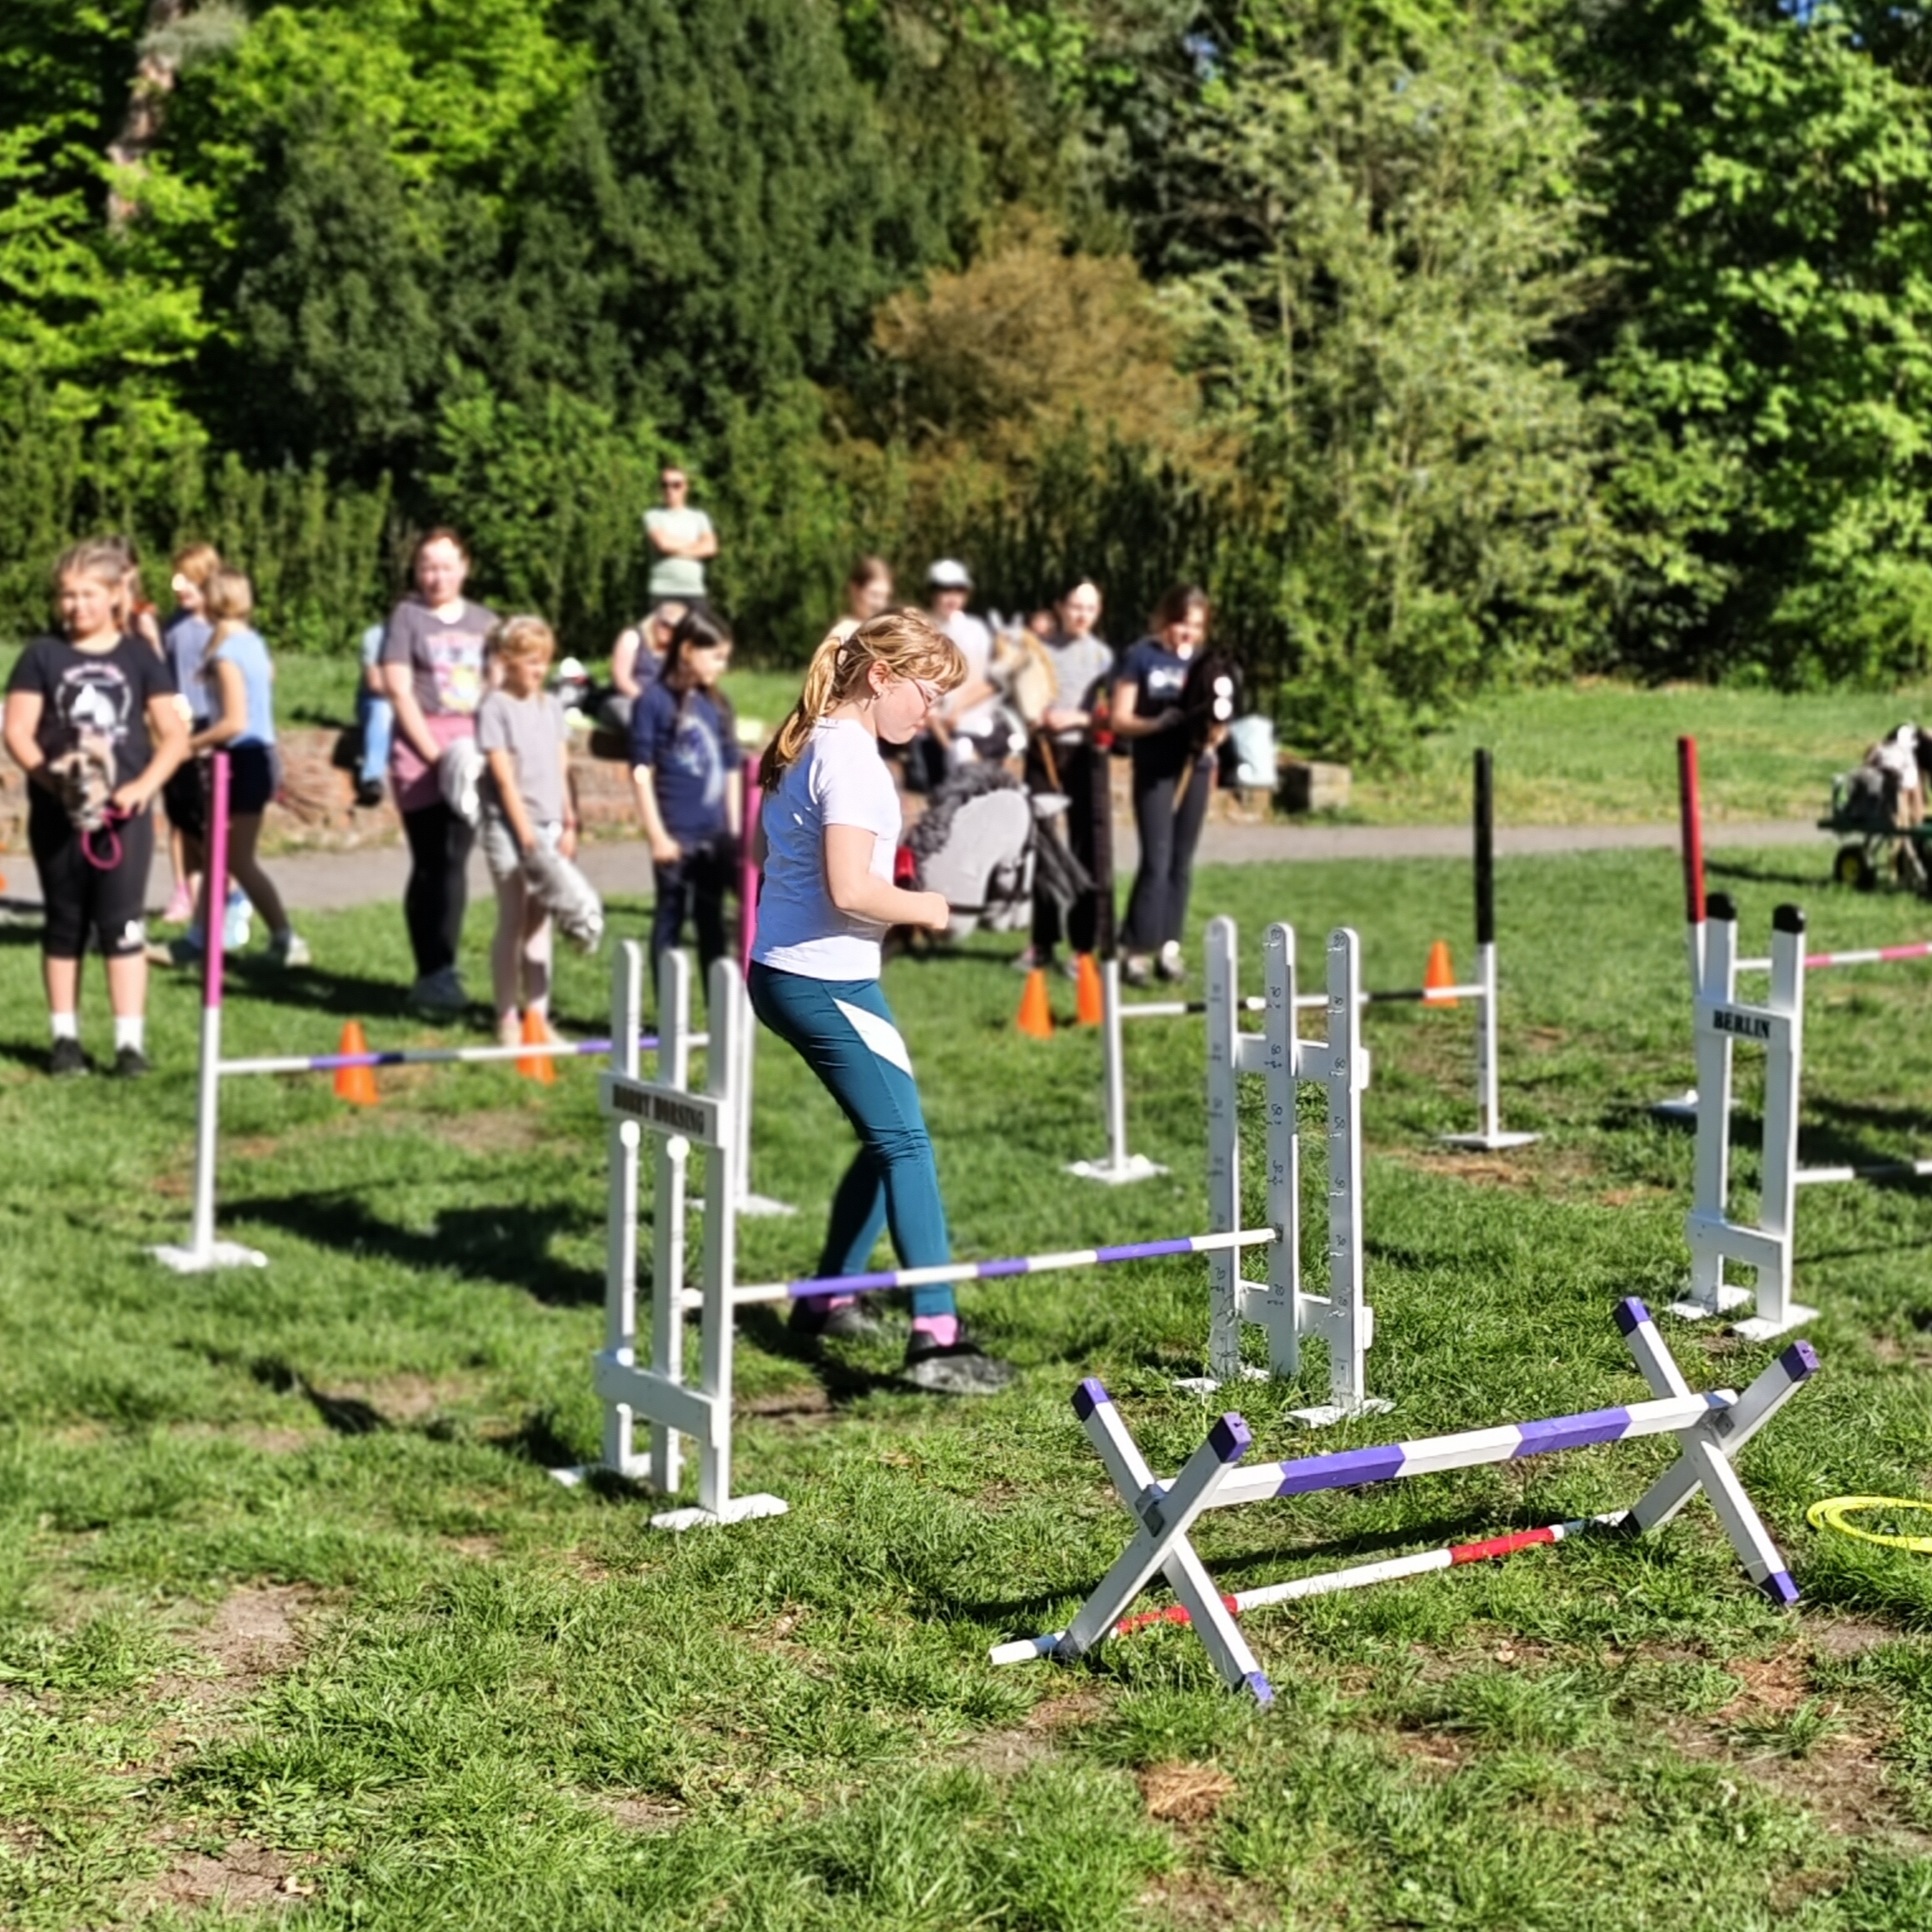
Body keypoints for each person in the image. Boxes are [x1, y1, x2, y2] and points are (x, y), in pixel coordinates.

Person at [750, 611, 1015, 1395]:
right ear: (880, 677)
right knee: (906, 1144)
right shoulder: (853, 762)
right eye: (927, 694)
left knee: (887, 1134)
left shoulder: (807, 738)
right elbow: (850, 889)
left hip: (799, 972)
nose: (931, 713)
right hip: (820, 982)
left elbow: (781, 860)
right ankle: (937, 1336)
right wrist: (930, 907)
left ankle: (826, 1297)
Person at [2, 539, 188, 1077]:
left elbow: (174, 735)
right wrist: (52, 779)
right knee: (65, 922)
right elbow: (17, 730)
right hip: (58, 814)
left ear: (114, 596)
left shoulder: (138, 657)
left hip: (123, 819)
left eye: (88, 594)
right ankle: (65, 1040)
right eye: (67, 595)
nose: (76, 605)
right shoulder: (42, 655)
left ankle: (129, 1045)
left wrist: (141, 787)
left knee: (122, 924)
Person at [379, 528, 499, 1013]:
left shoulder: (486, 622)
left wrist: (487, 750)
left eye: (446, 566)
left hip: (472, 751)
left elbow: (497, 688)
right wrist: (434, 754)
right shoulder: (406, 618)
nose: (436, 577)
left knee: (455, 858)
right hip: (421, 751)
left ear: (464, 568)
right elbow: (399, 688)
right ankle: (430, 968)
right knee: (430, 858)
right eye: (428, 567)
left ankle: (444, 968)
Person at [177, 569, 310, 968]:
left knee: (236, 859)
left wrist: (188, 746)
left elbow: (234, 722)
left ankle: (286, 938)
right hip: (258, 755)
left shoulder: (226, 656)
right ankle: (200, 937)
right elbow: (266, 679)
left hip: (243, 759)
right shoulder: (253, 642)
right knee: (219, 855)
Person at [476, 616, 579, 1047]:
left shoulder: (550, 706)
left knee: (540, 921)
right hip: (510, 827)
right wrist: (524, 834)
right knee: (513, 917)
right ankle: (506, 1018)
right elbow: (503, 779)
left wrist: (569, 821)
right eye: (530, 661)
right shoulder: (494, 707)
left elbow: (561, 766)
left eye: (543, 661)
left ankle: (537, 1017)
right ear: (507, 660)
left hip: (550, 825)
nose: (539, 669)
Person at [1113, 584, 1223, 986]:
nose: (1187, 633)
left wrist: (1215, 735)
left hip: (1195, 767)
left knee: (1181, 861)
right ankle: (1136, 950)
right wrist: (1156, 724)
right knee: (1156, 860)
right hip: (1155, 768)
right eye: (1181, 623)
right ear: (1165, 620)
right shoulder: (1142, 657)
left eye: (1196, 626)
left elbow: (1222, 716)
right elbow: (1120, 719)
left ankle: (1169, 948)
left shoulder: (1208, 663)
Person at [631, 605, 742, 1000]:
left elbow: (731, 769)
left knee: (711, 921)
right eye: (716, 656)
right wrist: (657, 836)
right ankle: (667, 1016)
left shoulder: (717, 705)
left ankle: (718, 1015)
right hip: (674, 836)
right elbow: (641, 772)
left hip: (714, 836)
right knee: (671, 917)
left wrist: (733, 832)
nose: (722, 666)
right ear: (688, 649)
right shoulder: (653, 702)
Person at [1018, 576, 1115, 977]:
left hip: (1084, 757)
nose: (1082, 615)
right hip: (1042, 753)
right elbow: (1021, 696)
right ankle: (1042, 942)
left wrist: (1076, 719)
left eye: (1090, 608)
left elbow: (1111, 716)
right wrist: (1032, 715)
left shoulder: (1104, 658)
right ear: (1060, 607)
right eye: (1076, 606)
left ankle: (1083, 947)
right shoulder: (1038, 652)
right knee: (1042, 844)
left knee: (1086, 848)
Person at [160, 542, 222, 924]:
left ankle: (220, 890)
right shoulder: (171, 627)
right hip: (176, 727)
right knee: (178, 815)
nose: (180, 586)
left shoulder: (221, 628)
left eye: (189, 579)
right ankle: (183, 890)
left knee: (210, 818)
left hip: (210, 726)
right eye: (177, 578)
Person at [921, 559, 999, 777]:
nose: (952, 598)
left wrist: (957, 709)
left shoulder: (977, 630)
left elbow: (992, 682)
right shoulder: (921, 629)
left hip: (974, 730)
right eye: (945, 590)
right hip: (931, 733)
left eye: (959, 590)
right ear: (932, 593)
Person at [598, 597, 686, 734]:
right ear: (656, 619)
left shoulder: (677, 651)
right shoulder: (633, 637)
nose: (668, 630)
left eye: (675, 628)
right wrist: (649, 702)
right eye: (665, 624)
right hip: (627, 700)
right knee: (637, 718)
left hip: (663, 706)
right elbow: (621, 679)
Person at [644, 465, 716, 609]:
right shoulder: (653, 516)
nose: (670, 490)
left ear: (686, 487)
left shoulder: (700, 517)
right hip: (663, 592)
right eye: (665, 485)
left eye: (676, 485)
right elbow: (663, 544)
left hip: (695, 593)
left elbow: (711, 548)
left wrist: (675, 547)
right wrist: (697, 545)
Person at [354, 621, 391, 808]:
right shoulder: (376, 636)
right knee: (383, 710)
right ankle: (371, 778)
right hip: (377, 700)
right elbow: (374, 683)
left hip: (414, 700)